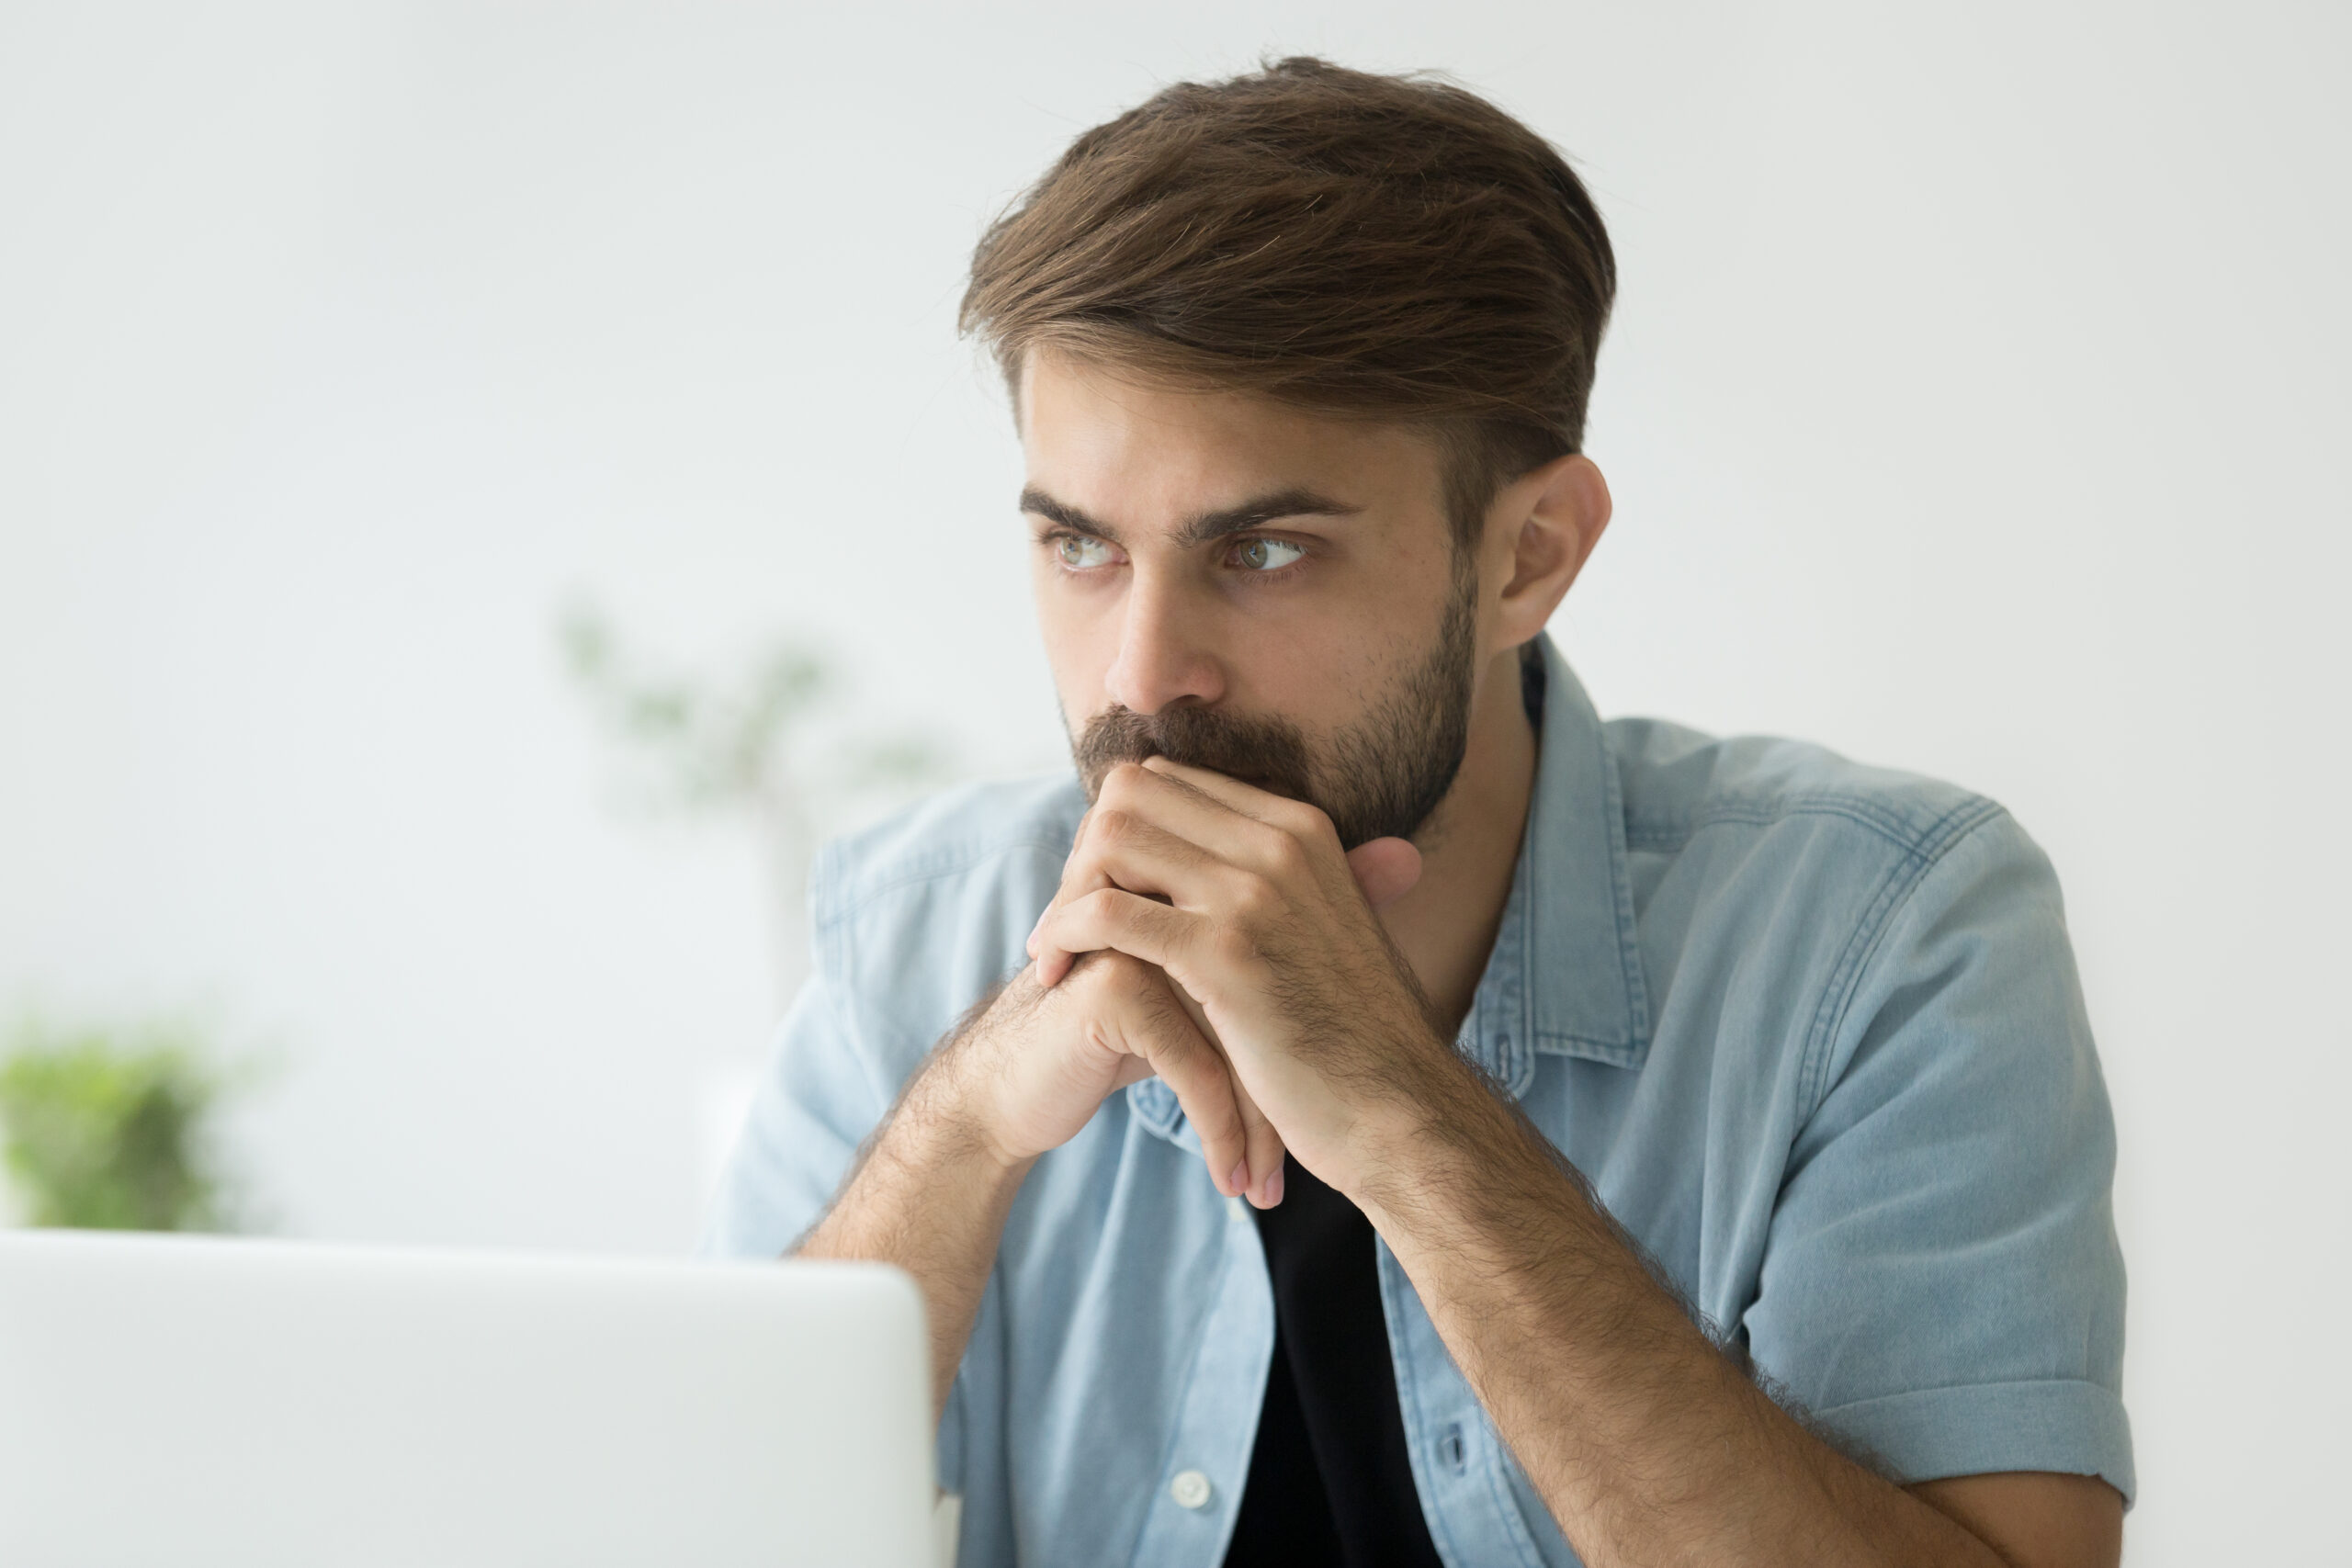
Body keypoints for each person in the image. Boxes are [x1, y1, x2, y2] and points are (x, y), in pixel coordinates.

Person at [706, 57, 2131, 1568]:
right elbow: (676, 1527)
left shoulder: (1885, 937)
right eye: (1080, 546)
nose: (1143, 677)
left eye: (1263, 552)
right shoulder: (919, 937)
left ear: (1528, 555)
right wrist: (967, 1131)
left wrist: (1401, 1109)